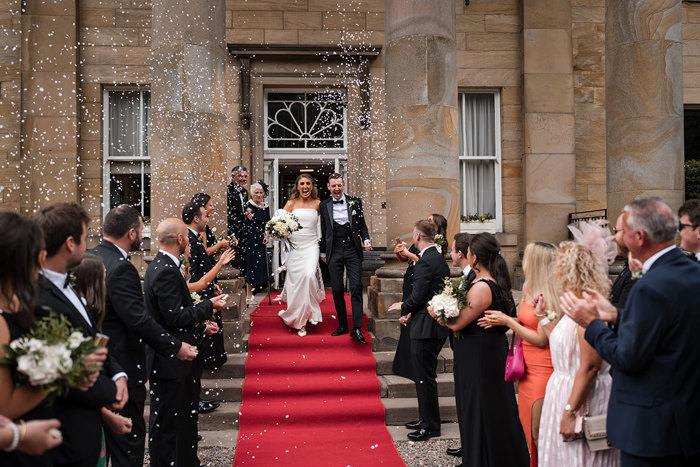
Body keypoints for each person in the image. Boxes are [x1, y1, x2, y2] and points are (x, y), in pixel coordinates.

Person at [563, 198, 700, 466]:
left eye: (622, 231)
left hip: (652, 431)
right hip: (687, 422)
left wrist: (591, 323)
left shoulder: (649, 287)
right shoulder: (692, 272)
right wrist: (617, 315)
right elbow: (671, 328)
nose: (616, 238)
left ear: (639, 236)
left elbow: (628, 357)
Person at [90, 205, 197, 467]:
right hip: (122, 365)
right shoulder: (122, 267)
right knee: (129, 445)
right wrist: (174, 346)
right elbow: (137, 319)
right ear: (130, 233)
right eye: (140, 230)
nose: (142, 236)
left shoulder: (90, 258)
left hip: (97, 364)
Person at [32, 202, 128, 467]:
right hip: (65, 439)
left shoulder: (69, 286)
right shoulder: (39, 299)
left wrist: (118, 374)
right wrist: (112, 390)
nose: (89, 245)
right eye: (86, 238)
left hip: (85, 430)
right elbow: (64, 374)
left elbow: (91, 338)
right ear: (70, 243)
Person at [430, 232, 529, 466]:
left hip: (480, 357)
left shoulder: (483, 286)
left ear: (475, 257)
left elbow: (457, 322)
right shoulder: (486, 280)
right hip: (478, 352)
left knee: (482, 407)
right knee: (478, 406)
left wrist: (435, 313)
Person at [144, 218, 228, 467]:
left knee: (181, 418)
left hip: (177, 358)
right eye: (188, 239)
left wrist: (201, 326)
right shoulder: (165, 270)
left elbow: (174, 314)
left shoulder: (164, 266)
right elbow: (174, 316)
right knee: (166, 424)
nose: (190, 244)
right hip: (170, 360)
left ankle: (185, 460)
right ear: (180, 239)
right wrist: (208, 306)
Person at [538, 239, 619, 467]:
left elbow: (590, 366)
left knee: (581, 460)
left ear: (569, 270)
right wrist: (542, 317)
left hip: (581, 398)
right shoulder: (575, 306)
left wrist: (569, 412)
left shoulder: (587, 308)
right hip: (564, 392)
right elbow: (567, 345)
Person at [478, 242, 558, 467]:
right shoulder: (528, 287)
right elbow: (526, 323)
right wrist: (503, 319)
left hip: (545, 368)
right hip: (527, 369)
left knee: (538, 433)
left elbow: (542, 339)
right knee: (527, 432)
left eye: (527, 258)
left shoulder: (551, 293)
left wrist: (506, 321)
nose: (523, 262)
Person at [0, 211, 68, 464]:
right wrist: (60, 372)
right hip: (16, 446)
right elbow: (4, 406)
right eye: (38, 250)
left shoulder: (17, 304)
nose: (43, 257)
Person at [387, 220, 449, 441]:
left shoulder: (425, 261)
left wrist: (403, 306)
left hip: (426, 327)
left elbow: (420, 294)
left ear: (418, 237)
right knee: (424, 377)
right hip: (429, 323)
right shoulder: (437, 257)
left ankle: (431, 426)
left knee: (424, 377)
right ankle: (425, 419)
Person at [70, 254, 134, 466]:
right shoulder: (79, 314)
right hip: (86, 407)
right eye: (104, 278)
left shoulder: (95, 312)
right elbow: (82, 375)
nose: (107, 283)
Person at [319, 173, 372, 343]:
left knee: (356, 286)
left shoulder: (354, 201)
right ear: (328, 187)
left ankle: (356, 328)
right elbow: (324, 230)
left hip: (352, 249)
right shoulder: (324, 205)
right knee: (336, 289)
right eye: (333, 186)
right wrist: (323, 252)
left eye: (339, 185)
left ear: (343, 185)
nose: (336, 188)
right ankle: (343, 324)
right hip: (334, 249)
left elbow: (362, 224)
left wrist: (367, 239)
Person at [277, 174, 325, 337]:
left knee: (309, 275)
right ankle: (300, 321)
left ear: (312, 186)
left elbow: (324, 226)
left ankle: (310, 311)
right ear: (297, 186)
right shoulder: (291, 204)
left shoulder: (318, 204)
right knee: (296, 283)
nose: (305, 186)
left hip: (311, 246)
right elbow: (278, 223)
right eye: (302, 183)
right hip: (295, 249)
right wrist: (278, 232)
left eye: (308, 183)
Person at [242, 182, 271, 305]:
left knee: (261, 266)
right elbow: (243, 222)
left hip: (261, 239)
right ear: (252, 194)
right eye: (256, 193)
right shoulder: (247, 206)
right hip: (250, 238)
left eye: (260, 193)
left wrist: (267, 235)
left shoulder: (266, 206)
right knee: (251, 265)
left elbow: (268, 222)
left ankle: (259, 290)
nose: (259, 195)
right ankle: (249, 295)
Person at [192, 193, 231, 262]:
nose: (213, 208)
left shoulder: (202, 224)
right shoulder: (199, 227)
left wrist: (217, 249)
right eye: (210, 205)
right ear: (202, 207)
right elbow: (205, 252)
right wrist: (220, 244)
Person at [610, 212, 638, 308]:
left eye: (616, 231)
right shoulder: (630, 267)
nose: (614, 237)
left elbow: (624, 318)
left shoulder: (636, 272)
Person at [227, 166, 249, 274]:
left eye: (245, 176)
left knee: (243, 262)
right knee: (234, 262)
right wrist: (232, 234)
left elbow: (242, 210)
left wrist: (248, 211)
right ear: (233, 177)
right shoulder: (227, 191)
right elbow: (228, 214)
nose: (244, 179)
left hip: (243, 232)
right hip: (233, 233)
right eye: (240, 176)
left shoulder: (245, 192)